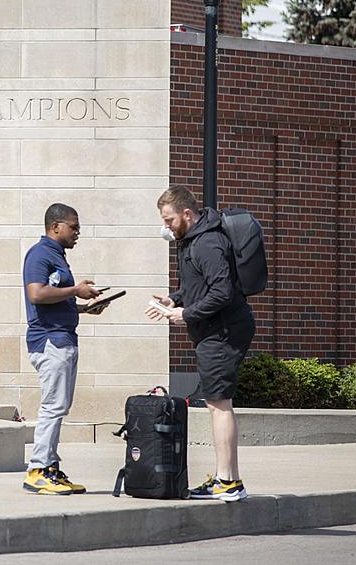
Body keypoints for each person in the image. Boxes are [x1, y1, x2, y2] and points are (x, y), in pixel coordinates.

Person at [145, 185, 255, 502]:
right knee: (216, 403)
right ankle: (228, 479)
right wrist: (173, 298)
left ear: (187, 214)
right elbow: (197, 285)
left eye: (169, 220)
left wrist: (185, 314)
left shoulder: (207, 242)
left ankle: (228, 482)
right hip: (215, 329)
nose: (165, 226)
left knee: (218, 404)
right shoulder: (192, 240)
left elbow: (221, 292)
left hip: (222, 331)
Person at [21, 203, 103, 495]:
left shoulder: (56, 256)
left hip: (63, 338)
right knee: (53, 406)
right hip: (50, 342)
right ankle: (38, 470)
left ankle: (51, 467)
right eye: (74, 226)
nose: (78, 232)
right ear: (55, 226)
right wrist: (75, 290)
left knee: (59, 406)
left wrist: (81, 307)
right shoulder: (40, 254)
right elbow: (37, 293)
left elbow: (53, 298)